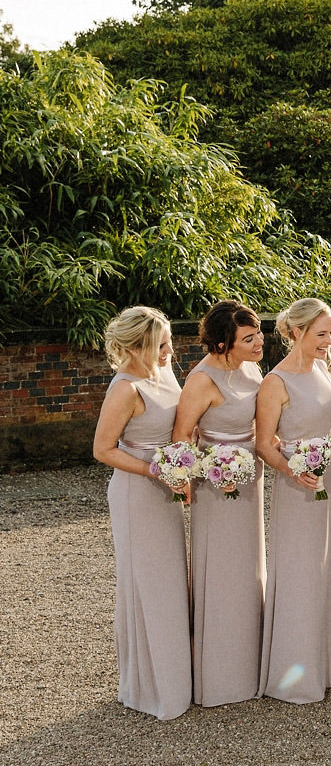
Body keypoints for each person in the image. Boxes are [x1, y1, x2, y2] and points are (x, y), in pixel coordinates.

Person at [92, 306, 191, 720]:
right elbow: (102, 450)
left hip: (166, 489)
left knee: (170, 579)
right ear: (137, 347)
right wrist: (156, 469)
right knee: (148, 583)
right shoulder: (125, 389)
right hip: (136, 493)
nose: (170, 350)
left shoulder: (165, 372)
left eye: (169, 341)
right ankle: (152, 686)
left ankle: (177, 678)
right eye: (161, 344)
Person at [256, 298, 331, 704]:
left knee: (326, 567)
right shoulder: (275, 383)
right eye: (320, 334)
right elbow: (263, 444)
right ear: (295, 332)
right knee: (299, 570)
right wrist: (293, 471)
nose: (328, 342)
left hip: (326, 476)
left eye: (330, 333)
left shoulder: (321, 367)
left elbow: (327, 429)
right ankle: (294, 674)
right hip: (296, 486)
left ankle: (325, 665)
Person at [173, 300, 266, 708]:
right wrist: (201, 472)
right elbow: (181, 436)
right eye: (248, 338)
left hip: (250, 481)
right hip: (218, 485)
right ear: (224, 343)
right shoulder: (202, 379)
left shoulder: (252, 368)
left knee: (249, 568)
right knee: (222, 570)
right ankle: (220, 675)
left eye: (259, 331)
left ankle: (250, 666)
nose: (259, 341)